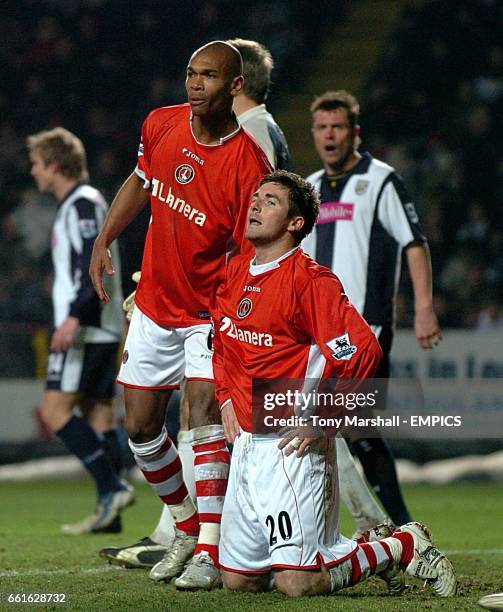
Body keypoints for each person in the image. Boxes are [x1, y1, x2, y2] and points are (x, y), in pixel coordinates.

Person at [98, 38, 292, 573]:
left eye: (207, 76)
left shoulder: (249, 163)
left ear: (235, 86)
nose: (194, 84)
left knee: (203, 414)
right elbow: (141, 184)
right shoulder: (161, 123)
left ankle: (209, 549)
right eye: (190, 73)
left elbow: (245, 251)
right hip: (157, 304)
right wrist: (104, 240)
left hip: (209, 312)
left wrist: (235, 314)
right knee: (140, 428)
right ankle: (185, 528)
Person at [213, 170, 456, 598]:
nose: (255, 204)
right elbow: (224, 344)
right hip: (248, 448)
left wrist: (323, 419)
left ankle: (401, 545)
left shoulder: (310, 281)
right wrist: (226, 397)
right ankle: (363, 545)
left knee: (297, 583)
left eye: (270, 201)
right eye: (256, 197)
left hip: (293, 446)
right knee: (239, 580)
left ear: (295, 224)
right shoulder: (235, 274)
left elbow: (363, 351)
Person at [302, 90, 442, 527]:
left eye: (337, 127)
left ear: (354, 132)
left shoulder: (380, 180)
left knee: (349, 424)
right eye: (322, 128)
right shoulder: (307, 188)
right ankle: (385, 528)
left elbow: (414, 245)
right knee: (338, 428)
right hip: (317, 333)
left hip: (366, 327)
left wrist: (423, 308)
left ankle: (392, 526)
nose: (329, 135)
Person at [27, 127, 132, 534]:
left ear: (54, 165)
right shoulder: (82, 204)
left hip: (85, 328)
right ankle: (111, 512)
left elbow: (94, 263)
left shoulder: (83, 204)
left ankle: (112, 485)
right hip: (98, 328)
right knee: (99, 415)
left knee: (55, 411)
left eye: (37, 164)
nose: (34, 172)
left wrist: (72, 315)